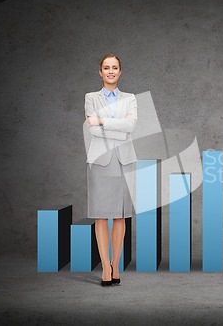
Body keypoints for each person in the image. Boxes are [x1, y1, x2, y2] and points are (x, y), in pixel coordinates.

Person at [84, 54, 137, 286]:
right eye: (106, 68)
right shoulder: (90, 98)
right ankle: (105, 266)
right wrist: (119, 127)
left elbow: (131, 126)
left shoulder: (131, 98)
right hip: (100, 161)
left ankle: (116, 264)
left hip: (124, 160)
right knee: (101, 215)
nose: (111, 71)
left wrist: (103, 121)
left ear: (120, 71)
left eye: (115, 67)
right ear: (100, 72)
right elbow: (93, 132)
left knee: (120, 215)